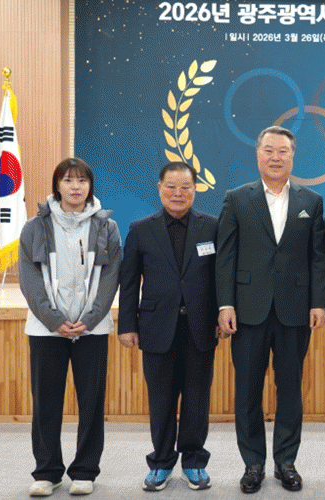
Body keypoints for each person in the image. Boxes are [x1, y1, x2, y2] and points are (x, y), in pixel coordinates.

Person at [216, 125, 325, 494]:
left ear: (293, 156)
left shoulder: (311, 201)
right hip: (247, 310)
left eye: (282, 151)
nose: (275, 157)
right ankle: (253, 464)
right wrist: (225, 304)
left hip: (295, 310)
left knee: (290, 390)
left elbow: (318, 257)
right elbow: (225, 256)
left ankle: (286, 462)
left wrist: (319, 301)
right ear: (258, 154)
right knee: (247, 391)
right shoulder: (236, 198)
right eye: (269, 150)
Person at [19, 158, 121, 497]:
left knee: (91, 402)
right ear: (57, 185)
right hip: (46, 330)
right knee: (45, 402)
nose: (75, 187)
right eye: (68, 180)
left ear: (90, 186)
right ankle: (47, 472)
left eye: (81, 181)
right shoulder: (35, 227)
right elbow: (30, 279)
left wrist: (89, 319)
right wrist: (54, 320)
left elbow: (110, 278)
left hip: (91, 329)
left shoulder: (107, 227)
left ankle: (85, 471)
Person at [118, 161, 219, 492]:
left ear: (195, 190)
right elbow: (129, 282)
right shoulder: (140, 229)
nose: (178, 193)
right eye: (172, 187)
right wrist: (127, 325)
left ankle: (193, 462)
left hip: (200, 326)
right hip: (155, 326)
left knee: (196, 398)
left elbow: (220, 278)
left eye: (185, 187)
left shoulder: (211, 226)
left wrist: (221, 315)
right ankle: (161, 463)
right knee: (160, 400)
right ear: (160, 189)